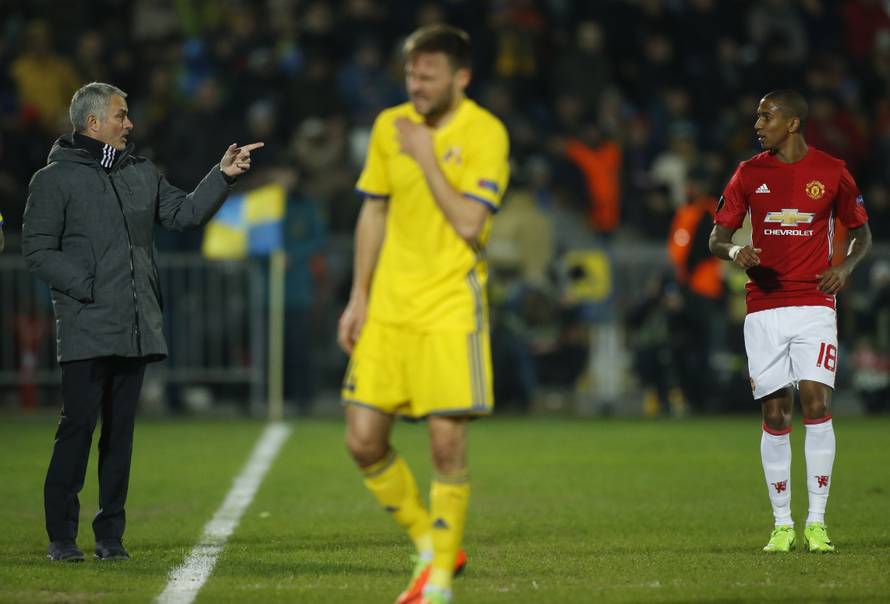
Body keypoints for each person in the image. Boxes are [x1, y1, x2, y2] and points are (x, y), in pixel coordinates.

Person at [22, 82, 262, 562]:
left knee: (120, 436)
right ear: (93, 123)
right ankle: (62, 537)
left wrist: (222, 175)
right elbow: (37, 249)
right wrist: (89, 287)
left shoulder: (140, 171)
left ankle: (110, 536)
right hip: (88, 324)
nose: (129, 123)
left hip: (134, 326)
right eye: (121, 115)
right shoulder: (53, 179)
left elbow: (184, 214)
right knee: (77, 430)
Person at [337, 25, 509, 604]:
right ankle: (433, 544)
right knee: (362, 440)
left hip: (449, 307)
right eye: (411, 74)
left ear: (461, 78)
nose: (416, 85)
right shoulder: (389, 125)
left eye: (428, 76)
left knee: (444, 444)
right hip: (389, 307)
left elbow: (469, 223)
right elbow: (373, 212)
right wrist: (359, 296)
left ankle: (436, 584)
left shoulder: (485, 132)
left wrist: (426, 155)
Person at [709, 90, 871, 554]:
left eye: (767, 116)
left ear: (793, 123)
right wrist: (736, 251)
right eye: (758, 117)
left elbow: (862, 233)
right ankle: (782, 524)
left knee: (817, 403)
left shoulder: (832, 171)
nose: (758, 124)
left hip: (814, 304)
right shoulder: (748, 173)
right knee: (776, 413)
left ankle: (816, 522)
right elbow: (716, 238)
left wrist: (844, 268)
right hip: (764, 307)